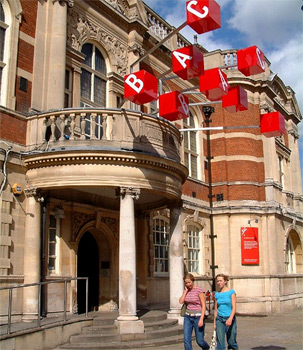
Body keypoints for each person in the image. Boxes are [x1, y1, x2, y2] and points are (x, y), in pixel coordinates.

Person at [179, 273, 210, 350]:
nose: (188, 284)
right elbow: (181, 301)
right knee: (186, 339)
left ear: (193, 281)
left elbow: (203, 306)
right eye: (186, 283)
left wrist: (201, 319)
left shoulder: (199, 290)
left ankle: (207, 348)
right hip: (188, 317)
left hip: (198, 317)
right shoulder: (186, 291)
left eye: (189, 282)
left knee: (200, 341)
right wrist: (186, 291)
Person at [213, 273, 239, 350]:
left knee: (231, 342)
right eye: (217, 281)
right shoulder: (217, 294)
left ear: (225, 281)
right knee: (220, 343)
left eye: (220, 281)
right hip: (219, 319)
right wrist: (214, 323)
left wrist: (230, 319)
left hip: (229, 318)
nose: (219, 283)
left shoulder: (231, 292)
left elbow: (234, 308)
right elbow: (215, 310)